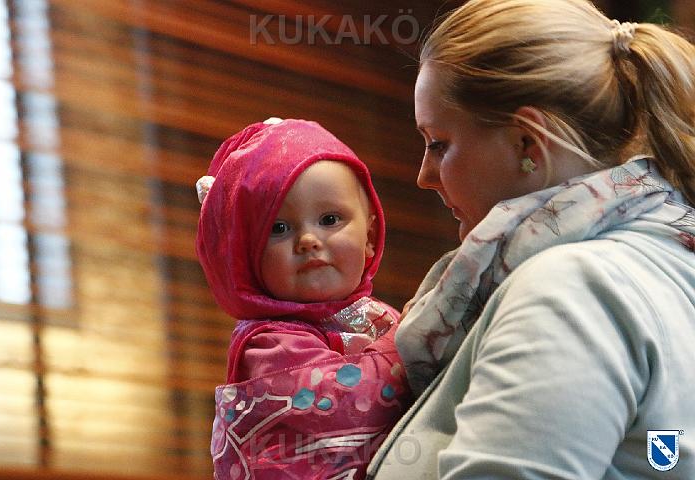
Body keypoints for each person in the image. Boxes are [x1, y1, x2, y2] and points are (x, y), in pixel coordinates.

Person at [366, 0, 695, 478]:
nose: (424, 176)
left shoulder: (571, 290)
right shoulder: (666, 260)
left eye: (438, 143)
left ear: (526, 143)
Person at [196, 117, 410, 480]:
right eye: (279, 228)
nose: (308, 240)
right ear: (245, 257)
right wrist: (409, 344)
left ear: (371, 237)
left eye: (330, 219)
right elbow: (342, 406)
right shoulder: (268, 344)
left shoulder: (381, 317)